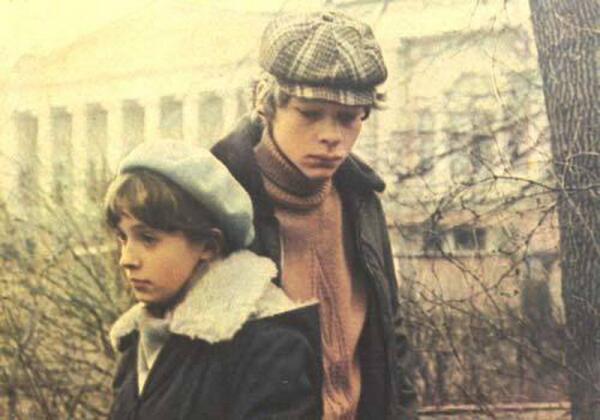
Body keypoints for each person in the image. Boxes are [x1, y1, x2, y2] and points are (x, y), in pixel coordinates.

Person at [212, 10, 417, 419]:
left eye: (348, 118)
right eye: (309, 113)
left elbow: (391, 338)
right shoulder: (216, 202)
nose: (330, 136)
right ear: (266, 103)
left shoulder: (362, 200)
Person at [105, 140, 322, 419]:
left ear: (208, 245)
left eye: (148, 239)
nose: (126, 259)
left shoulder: (269, 346)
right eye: (123, 238)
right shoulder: (137, 340)